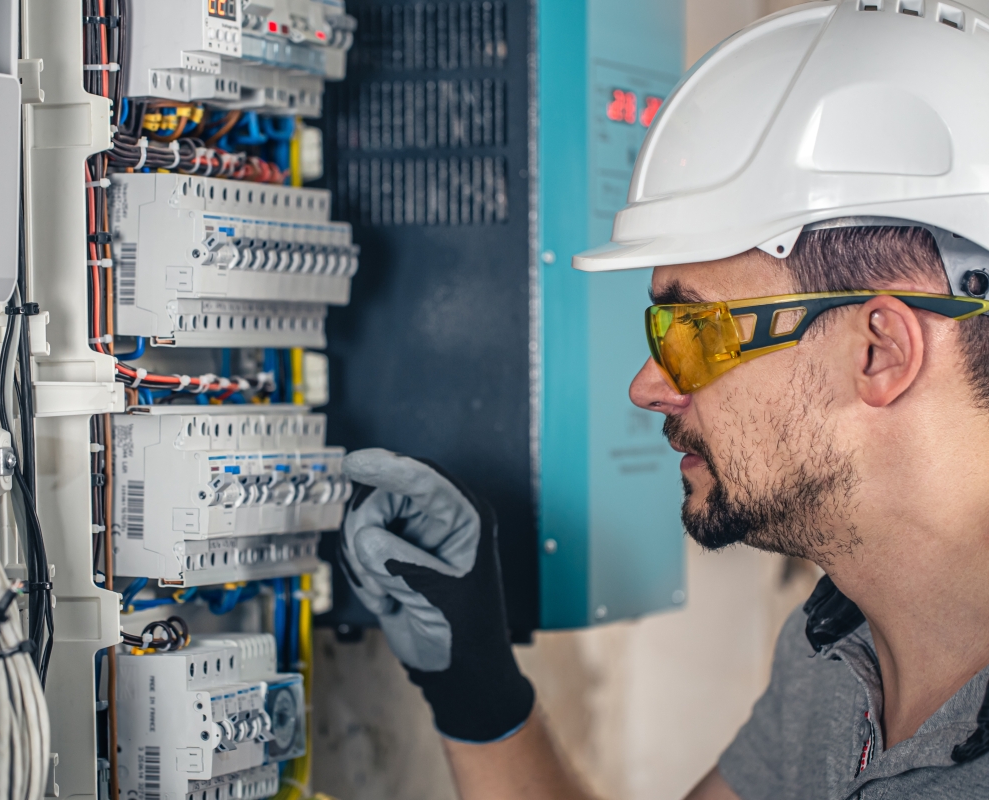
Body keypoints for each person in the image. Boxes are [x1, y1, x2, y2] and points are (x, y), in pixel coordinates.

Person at [336, 2, 989, 798]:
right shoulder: (836, 656)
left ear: (879, 352)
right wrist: (476, 688)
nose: (649, 386)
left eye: (695, 331)